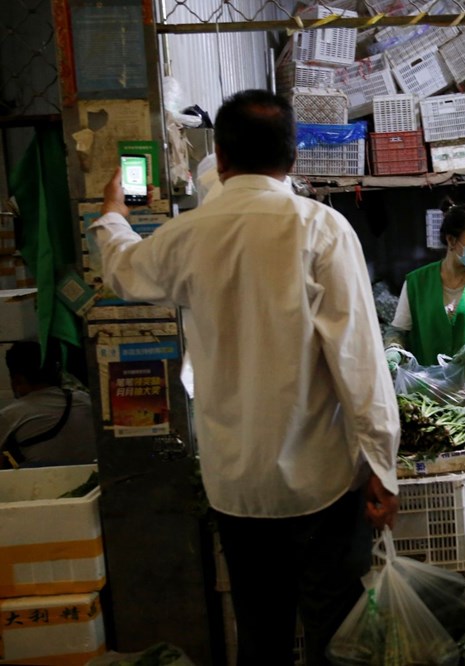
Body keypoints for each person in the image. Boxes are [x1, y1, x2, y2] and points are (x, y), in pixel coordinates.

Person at [89, 89, 400, 666]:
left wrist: (113, 213)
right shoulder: (322, 230)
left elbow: (124, 271)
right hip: (323, 482)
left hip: (237, 486)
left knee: (261, 633)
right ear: (293, 160)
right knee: (337, 635)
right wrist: (383, 463)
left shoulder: (189, 236)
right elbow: (360, 361)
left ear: (222, 159)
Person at [384, 200, 465, 422]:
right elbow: (398, 330)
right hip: (430, 393)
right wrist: (393, 349)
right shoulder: (417, 282)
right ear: (451, 240)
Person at [1, 340, 97, 468]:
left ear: (18, 380)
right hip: (94, 481)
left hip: (40, 484)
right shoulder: (85, 399)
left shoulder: (11, 415)